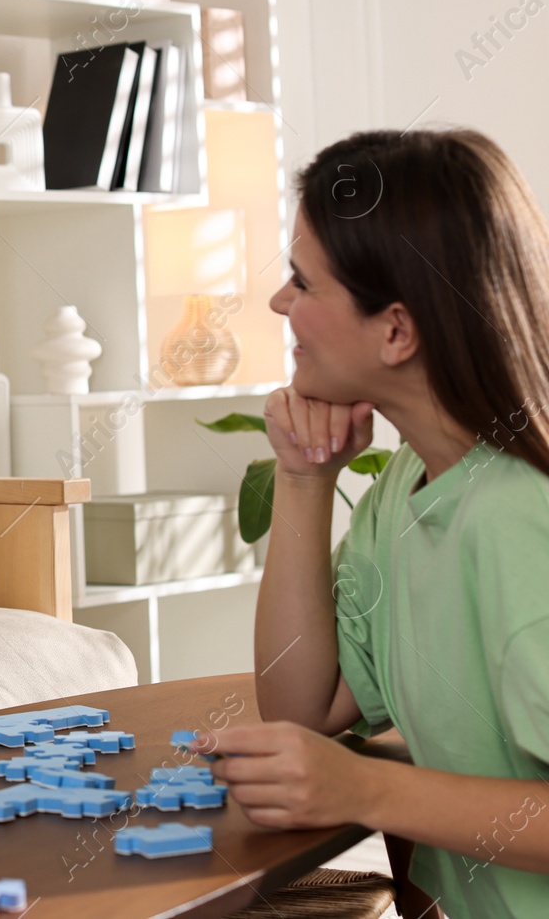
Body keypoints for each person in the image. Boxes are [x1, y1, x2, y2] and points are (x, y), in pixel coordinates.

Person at [197, 128, 549, 917]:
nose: (279, 302)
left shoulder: (522, 517)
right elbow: (302, 706)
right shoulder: (408, 481)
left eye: (301, 281)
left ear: (395, 330)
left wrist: (369, 786)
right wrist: (302, 477)